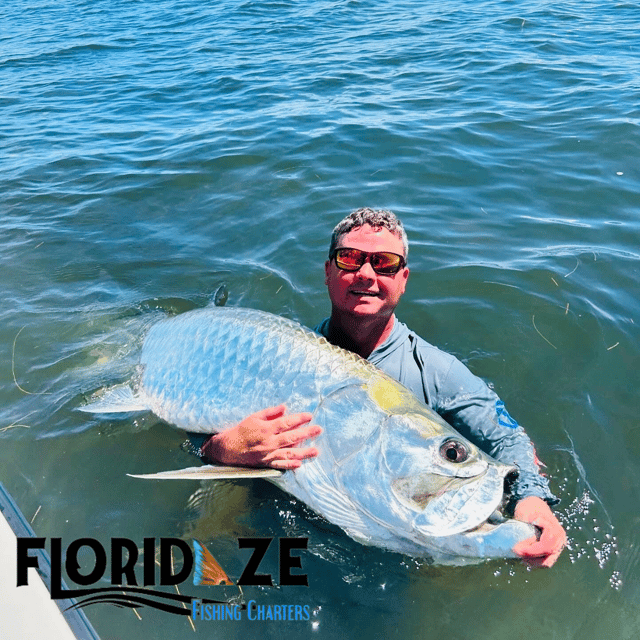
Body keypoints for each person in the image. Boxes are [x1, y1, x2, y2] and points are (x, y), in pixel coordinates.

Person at [195, 208, 566, 567]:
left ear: (403, 279)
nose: (366, 274)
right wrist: (222, 449)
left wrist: (531, 500)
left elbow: (508, 437)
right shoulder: (282, 359)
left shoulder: (438, 373)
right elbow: (197, 426)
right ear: (327, 272)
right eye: (350, 259)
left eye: (384, 263)